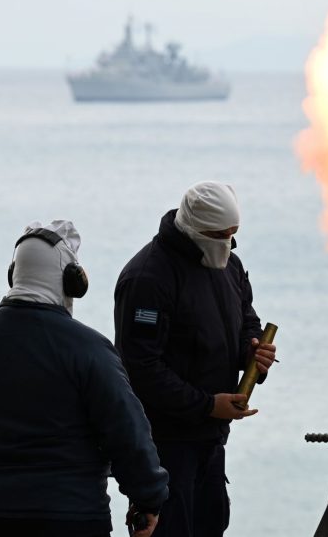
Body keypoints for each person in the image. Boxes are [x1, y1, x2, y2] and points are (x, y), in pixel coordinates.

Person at [0, 220, 169, 537]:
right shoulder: (90, 349)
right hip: (72, 514)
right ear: (71, 281)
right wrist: (148, 499)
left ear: (14, 274)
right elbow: (126, 432)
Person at [114, 182, 277, 537]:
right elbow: (140, 368)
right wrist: (207, 405)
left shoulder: (230, 265)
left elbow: (246, 318)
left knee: (211, 524)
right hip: (164, 444)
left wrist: (252, 351)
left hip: (211, 439)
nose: (227, 243)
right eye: (220, 235)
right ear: (194, 228)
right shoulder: (148, 278)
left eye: (233, 234)